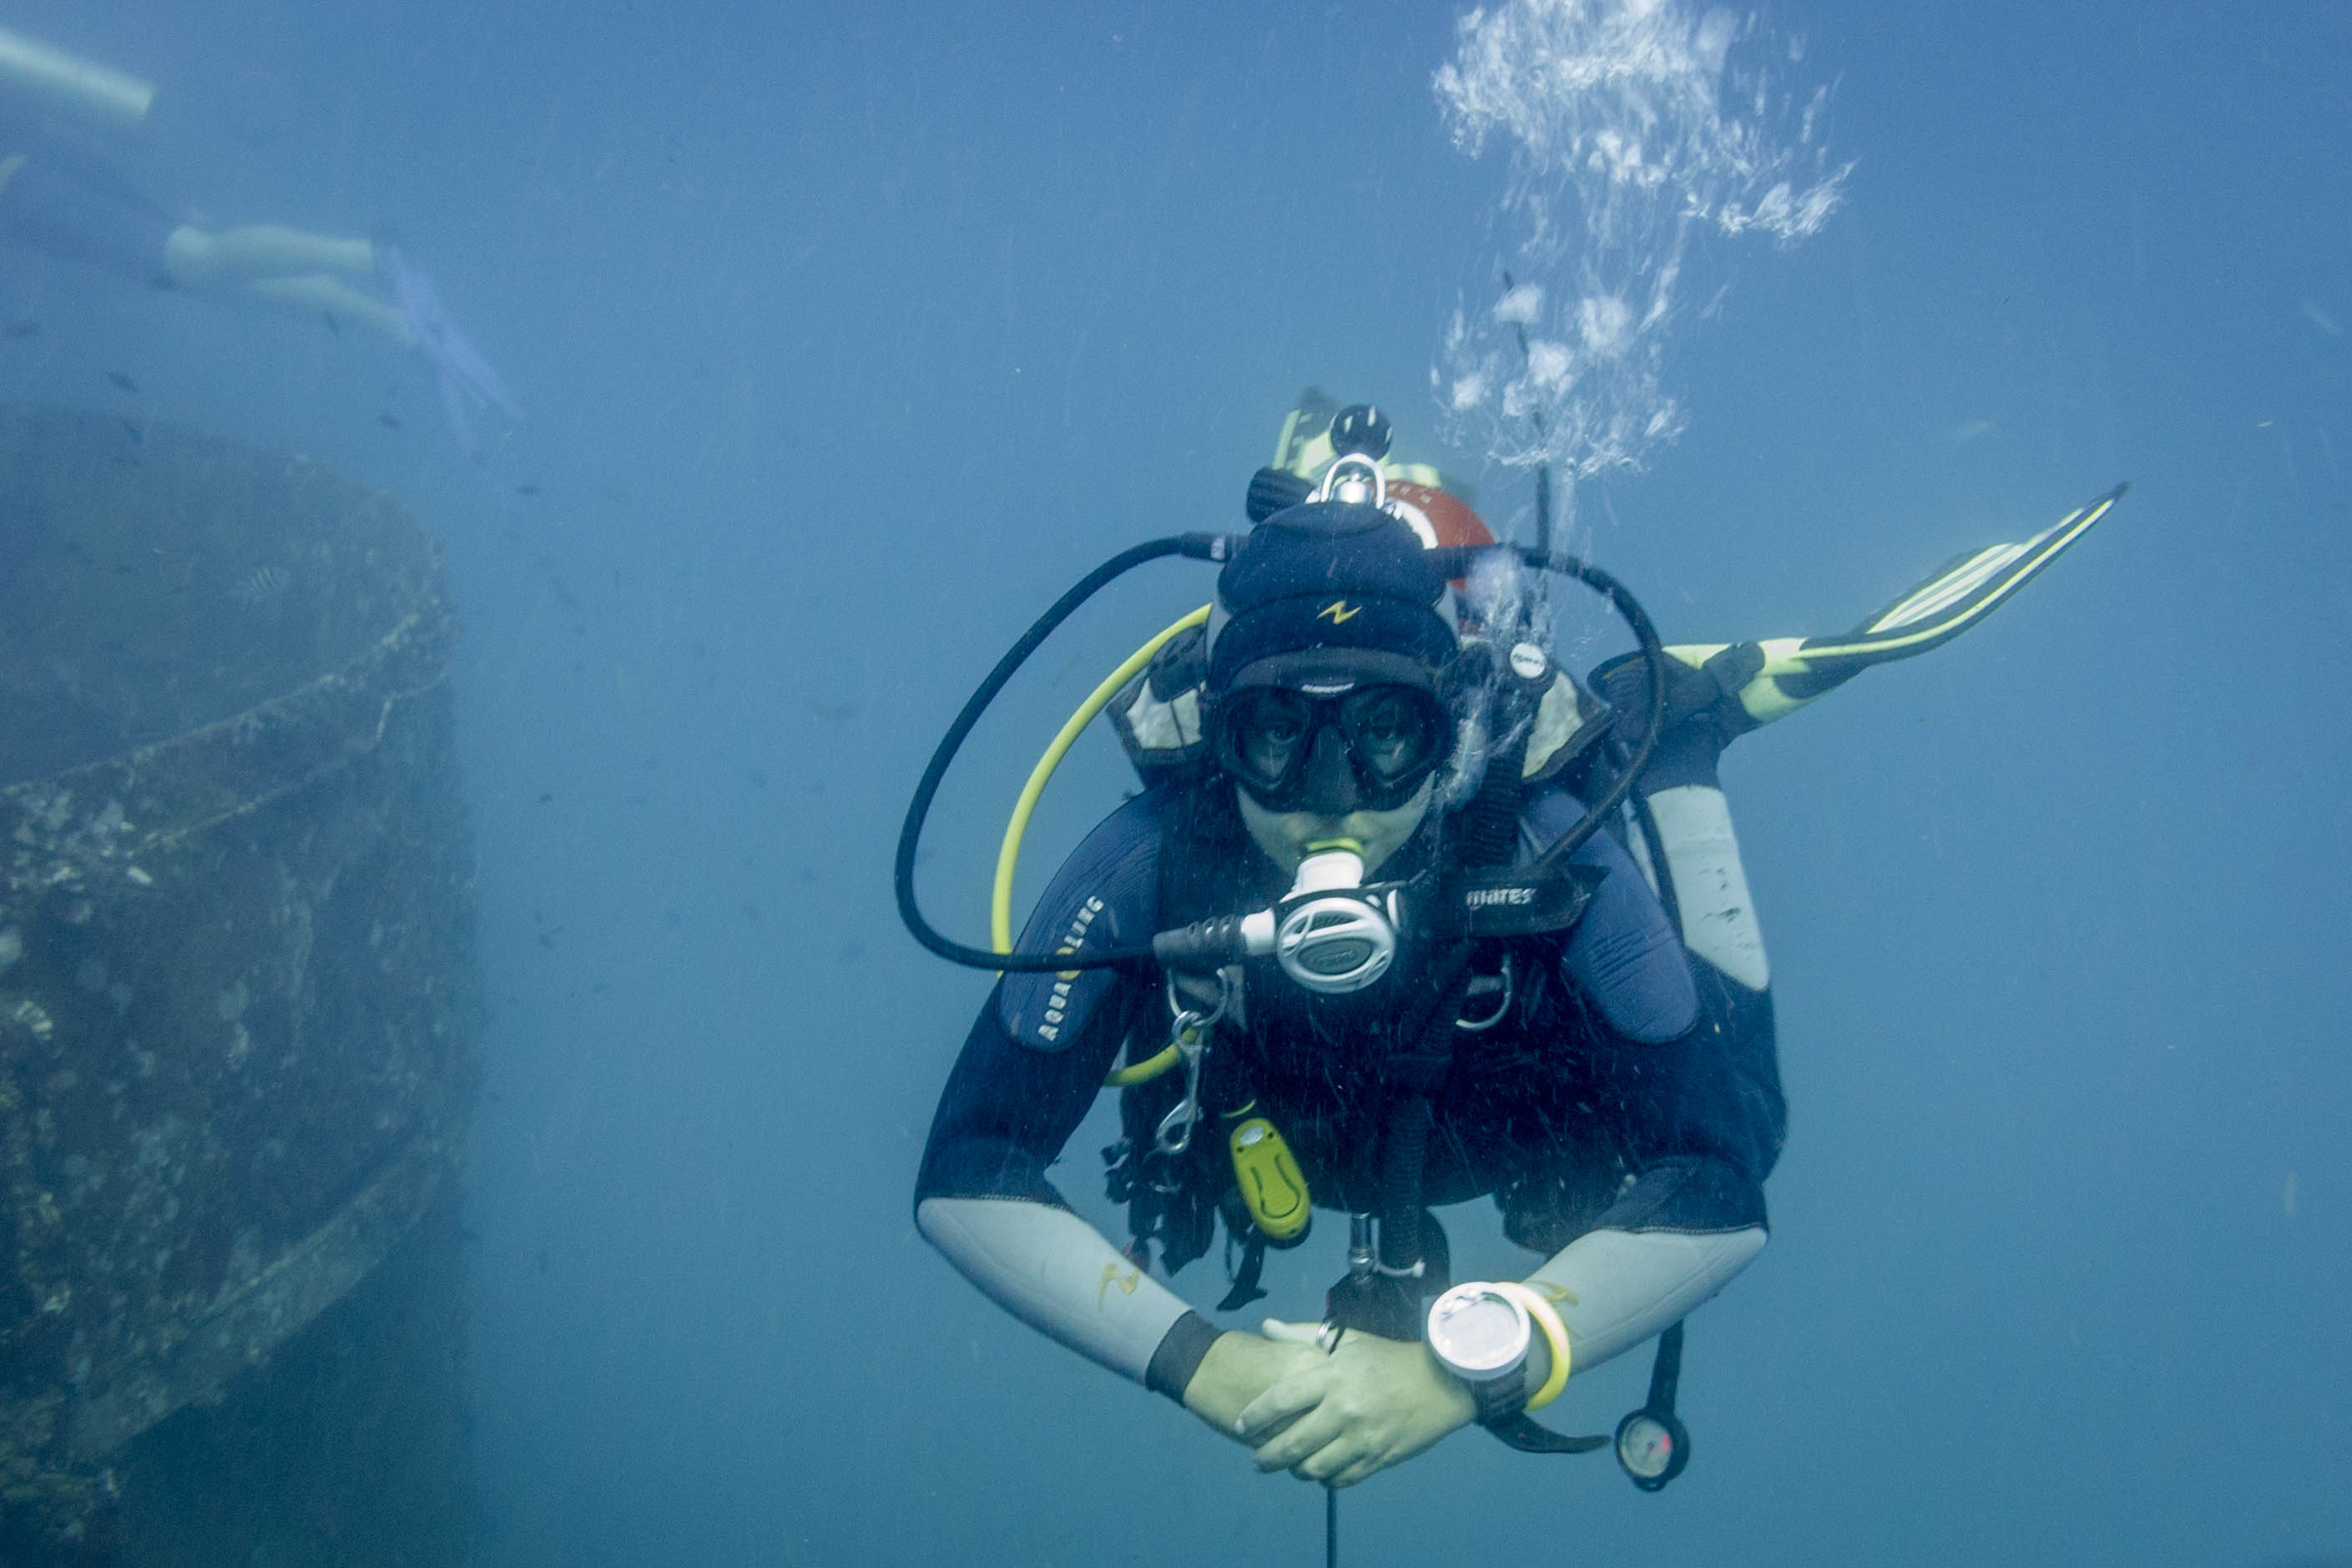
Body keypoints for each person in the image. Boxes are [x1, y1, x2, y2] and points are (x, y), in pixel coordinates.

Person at [909, 396, 2121, 1490]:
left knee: (1753, 1117)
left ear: (1448, 735)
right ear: (1216, 738)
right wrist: (1202, 1364)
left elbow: (1716, 1185)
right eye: (1276, 735)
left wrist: (1470, 1370)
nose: (1332, 794)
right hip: (1276, 1140)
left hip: (1505, 1120)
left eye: (1387, 735)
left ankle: (1670, 732)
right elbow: (968, 1169)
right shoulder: (1154, 859)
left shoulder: (1537, 844)